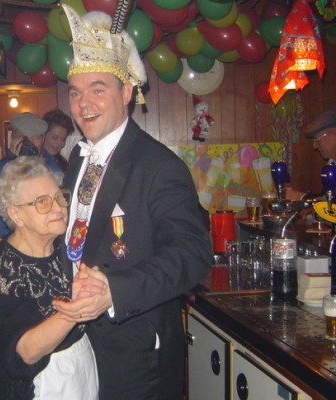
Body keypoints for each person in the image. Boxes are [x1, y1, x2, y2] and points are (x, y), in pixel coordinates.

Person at [53, 6, 213, 400]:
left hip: (134, 351)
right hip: (77, 341)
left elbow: (192, 255)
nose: (83, 104)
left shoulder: (159, 166)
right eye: (75, 92)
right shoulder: (78, 158)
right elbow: (75, 238)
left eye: (98, 89)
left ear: (126, 92)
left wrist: (114, 292)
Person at [0, 156, 102, 400]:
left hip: (80, 370)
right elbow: (26, 351)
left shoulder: (64, 247)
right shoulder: (3, 270)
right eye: (42, 202)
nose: (58, 208)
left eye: (59, 197)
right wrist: (75, 309)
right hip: (42, 383)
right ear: (16, 215)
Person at [0, 112, 48, 238]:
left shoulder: (50, 167)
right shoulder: (0, 168)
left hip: (43, 240)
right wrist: (14, 166)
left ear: (43, 139)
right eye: (24, 138)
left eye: (35, 137)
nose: (29, 143)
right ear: (13, 138)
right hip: (10, 239)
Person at [42, 109, 75, 173]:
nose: (59, 143)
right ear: (44, 134)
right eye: (54, 138)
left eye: (63, 139)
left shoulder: (62, 161)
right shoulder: (35, 161)